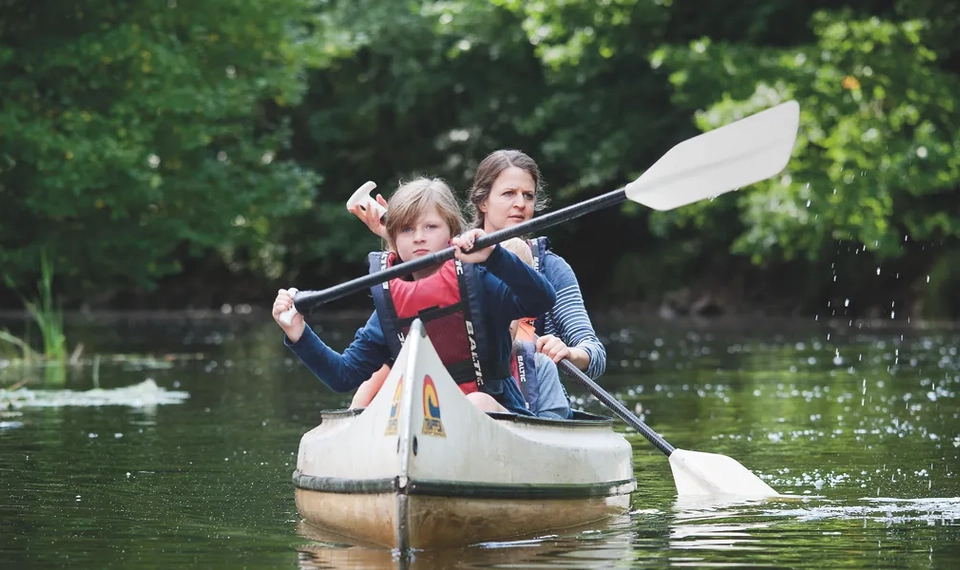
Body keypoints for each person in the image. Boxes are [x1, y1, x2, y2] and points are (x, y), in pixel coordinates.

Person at [273, 177, 557, 415]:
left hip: (498, 413)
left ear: (451, 233)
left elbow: (542, 300)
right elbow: (343, 375)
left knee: (476, 402)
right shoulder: (390, 307)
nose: (419, 237)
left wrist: (494, 256)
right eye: (407, 229)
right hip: (425, 420)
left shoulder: (480, 281)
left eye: (430, 227)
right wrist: (298, 333)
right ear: (394, 239)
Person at [350, 149, 606, 381]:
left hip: (528, 388)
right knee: (384, 368)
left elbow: (594, 353)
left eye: (528, 195)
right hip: (450, 385)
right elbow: (415, 298)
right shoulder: (449, 255)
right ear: (483, 202)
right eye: (509, 194)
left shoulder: (551, 267)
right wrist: (396, 241)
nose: (520, 203)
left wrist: (570, 353)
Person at [500, 238, 571, 420]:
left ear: (522, 312)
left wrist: (570, 353)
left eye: (508, 308)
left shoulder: (541, 367)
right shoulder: (458, 362)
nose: (500, 320)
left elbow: (554, 433)